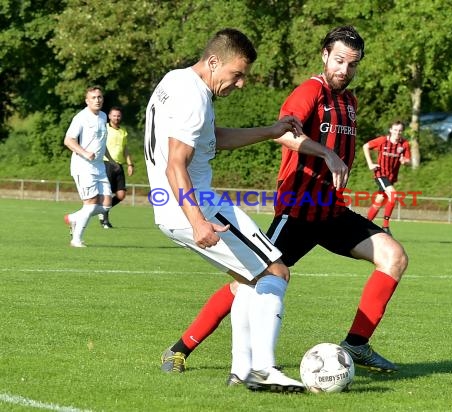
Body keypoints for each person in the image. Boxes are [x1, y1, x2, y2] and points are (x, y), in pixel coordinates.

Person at [167, 26, 409, 385]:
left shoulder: (350, 102)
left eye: (352, 64)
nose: (344, 69)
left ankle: (357, 343)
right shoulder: (309, 91)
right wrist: (325, 152)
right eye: (339, 60)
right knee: (248, 281)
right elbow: (284, 131)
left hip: (331, 211)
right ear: (325, 55)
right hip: (298, 211)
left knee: (394, 257)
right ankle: (181, 348)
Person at [144, 28, 305, 392]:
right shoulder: (195, 98)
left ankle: (242, 371)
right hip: (194, 205)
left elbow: (216, 139)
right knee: (276, 272)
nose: (241, 83)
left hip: (169, 209)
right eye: (237, 73)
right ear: (214, 62)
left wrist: (272, 130)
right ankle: (263, 368)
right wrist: (198, 220)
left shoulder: (176, 81)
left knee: (249, 278)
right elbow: (175, 165)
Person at [63, 86, 112, 247]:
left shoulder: (103, 116)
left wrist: (110, 159)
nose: (97, 100)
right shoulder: (81, 117)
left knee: (106, 205)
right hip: (83, 166)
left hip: (99, 167)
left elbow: (101, 141)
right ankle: (76, 239)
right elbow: (68, 140)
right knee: (90, 205)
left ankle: (74, 218)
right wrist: (84, 153)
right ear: (87, 101)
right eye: (93, 98)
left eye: (99, 97)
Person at [362, 121, 411, 236]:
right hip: (380, 174)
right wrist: (370, 164)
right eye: (395, 130)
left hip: (391, 178)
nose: (397, 132)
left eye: (400, 130)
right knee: (393, 195)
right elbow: (365, 146)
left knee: (379, 201)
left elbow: (408, 160)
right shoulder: (383, 141)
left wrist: (405, 161)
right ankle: (385, 226)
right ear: (390, 130)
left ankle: (365, 226)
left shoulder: (404, 144)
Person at [98, 106, 134, 228]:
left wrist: (130, 164)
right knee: (107, 193)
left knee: (121, 195)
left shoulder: (123, 131)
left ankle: (102, 210)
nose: (116, 118)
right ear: (109, 116)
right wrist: (111, 161)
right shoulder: (105, 128)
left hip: (119, 165)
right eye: (114, 115)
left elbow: (125, 149)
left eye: (118, 116)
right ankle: (105, 221)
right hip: (107, 163)